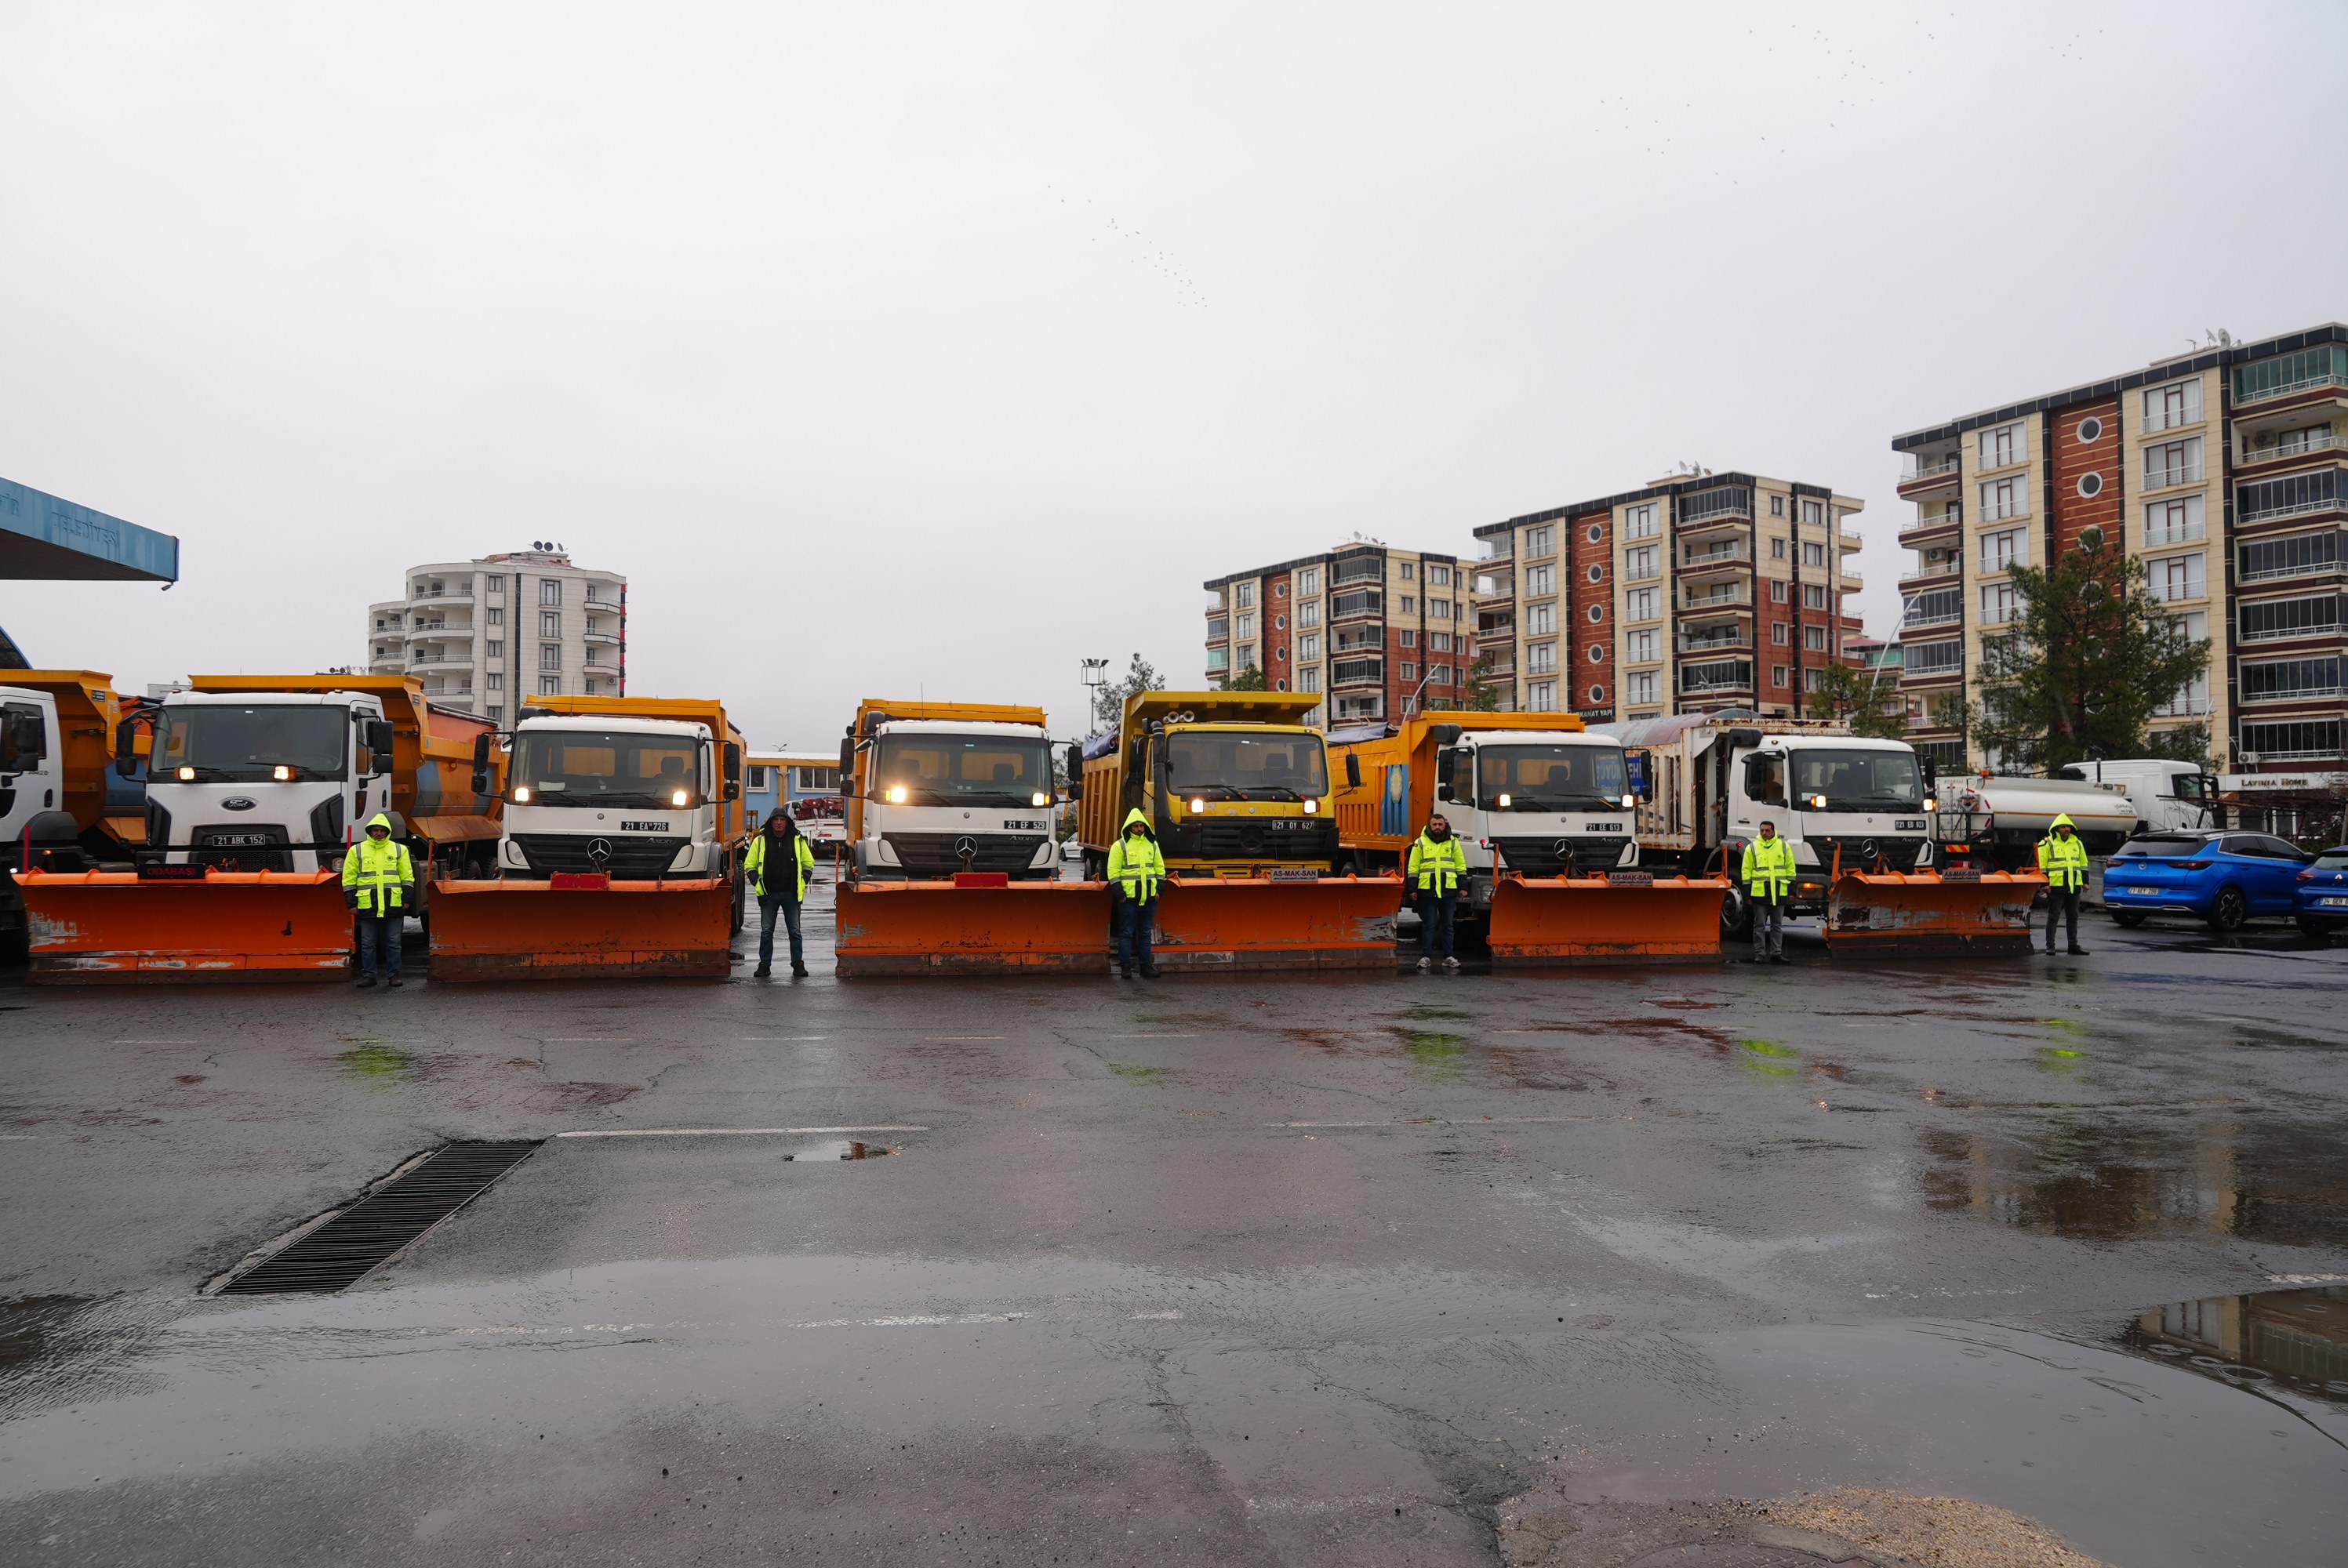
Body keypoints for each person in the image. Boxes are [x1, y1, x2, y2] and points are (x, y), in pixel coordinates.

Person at [342, 812, 414, 988]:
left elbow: (407, 876)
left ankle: (394, 975)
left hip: (392, 903)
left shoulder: (399, 850)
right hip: (367, 904)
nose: (379, 833)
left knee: (393, 943)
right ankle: (369, 976)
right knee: (368, 944)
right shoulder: (357, 850)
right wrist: (352, 903)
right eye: (376, 830)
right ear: (370, 831)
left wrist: (407, 899)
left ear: (387, 831)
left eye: (382, 830)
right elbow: (349, 879)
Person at [744, 808, 816, 977]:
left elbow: (808, 862)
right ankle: (764, 965)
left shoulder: (797, 840)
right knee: (766, 932)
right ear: (770, 822)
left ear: (787, 822)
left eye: (782, 820)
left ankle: (798, 964)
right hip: (768, 895)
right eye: (775, 820)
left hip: (791, 894)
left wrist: (804, 880)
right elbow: (749, 864)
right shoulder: (760, 841)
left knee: (795, 932)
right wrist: (756, 881)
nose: (778, 823)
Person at [1107, 808, 1165, 978]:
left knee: (1145, 934)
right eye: (1136, 826)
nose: (1139, 829)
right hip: (1129, 899)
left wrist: (1160, 890)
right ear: (1129, 827)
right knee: (1127, 933)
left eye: (1141, 826)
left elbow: (1160, 868)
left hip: (1149, 898)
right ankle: (1125, 968)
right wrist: (1120, 894)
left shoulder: (1152, 844)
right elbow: (1113, 872)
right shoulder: (1120, 846)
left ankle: (1146, 967)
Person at [1408, 812, 1468, 972]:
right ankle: (1426, 957)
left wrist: (1463, 887)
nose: (1437, 827)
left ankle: (1449, 957)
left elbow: (1461, 866)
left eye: (1440, 824)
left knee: (1448, 926)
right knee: (1429, 926)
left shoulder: (1453, 843)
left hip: (1448, 891)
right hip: (1427, 890)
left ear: (1445, 825)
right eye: (1434, 824)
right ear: (1430, 825)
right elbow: (1413, 867)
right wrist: (1412, 889)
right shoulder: (1420, 843)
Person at [1741, 819, 1795, 965]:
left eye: (1767, 830)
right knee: (1759, 925)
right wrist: (1747, 894)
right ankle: (1760, 954)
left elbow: (1791, 869)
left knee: (1777, 925)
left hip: (1779, 892)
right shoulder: (1752, 848)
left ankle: (1776, 954)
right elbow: (1746, 872)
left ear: (1773, 831)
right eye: (1762, 830)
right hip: (1760, 893)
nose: (1764, 833)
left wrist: (1792, 891)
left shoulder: (1784, 846)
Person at [2037, 812, 2089, 955]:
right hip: (2056, 886)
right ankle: (2050, 946)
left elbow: (2083, 863)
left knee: (2073, 917)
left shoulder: (2077, 843)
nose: (2066, 829)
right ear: (2056, 829)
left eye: (2068, 827)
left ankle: (2073, 946)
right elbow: (2042, 866)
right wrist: (2044, 884)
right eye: (2063, 827)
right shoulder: (2047, 843)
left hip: (2073, 886)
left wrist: (2085, 882)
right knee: (2054, 916)